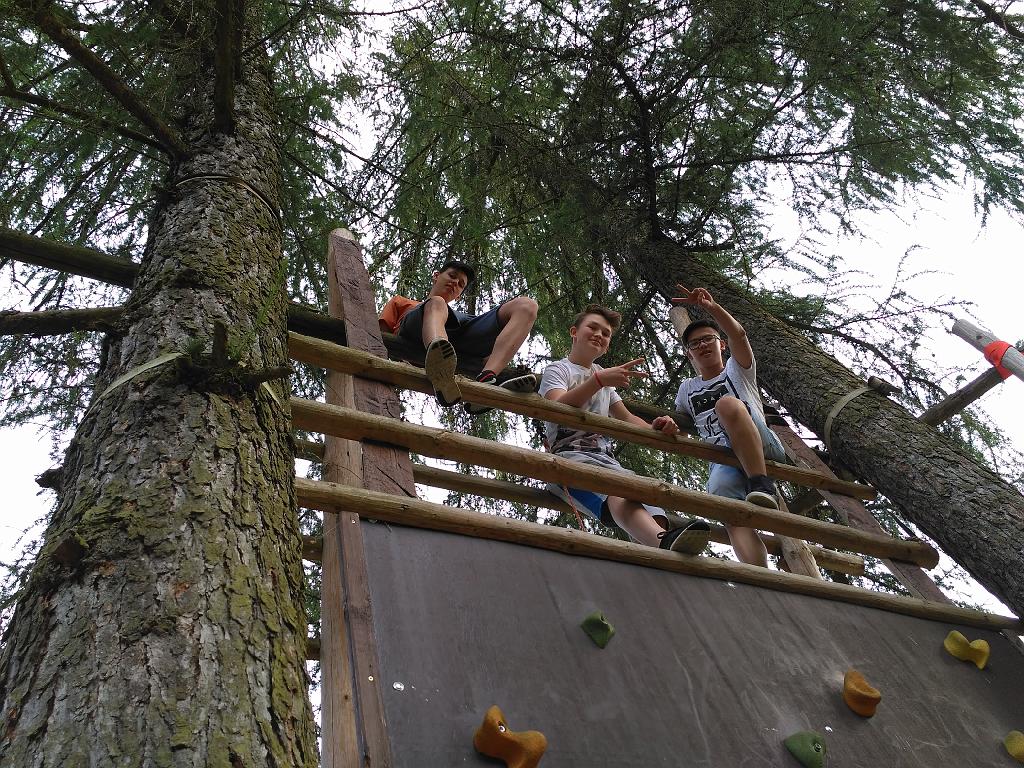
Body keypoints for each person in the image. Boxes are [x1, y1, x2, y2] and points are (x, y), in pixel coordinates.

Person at [538, 303, 711, 554]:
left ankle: (660, 544)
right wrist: (598, 381)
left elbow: (627, 418)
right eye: (592, 327)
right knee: (617, 493)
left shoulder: (601, 376)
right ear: (574, 332)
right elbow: (556, 405)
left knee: (646, 496)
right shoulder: (559, 369)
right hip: (568, 461)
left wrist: (656, 427)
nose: (599, 334)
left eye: (606, 333)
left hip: (606, 460)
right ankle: (662, 543)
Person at [671, 284, 787, 568]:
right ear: (689, 354)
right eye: (694, 344)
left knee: (726, 405)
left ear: (721, 344)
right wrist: (668, 425)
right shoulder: (687, 389)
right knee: (721, 494)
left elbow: (739, 335)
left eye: (708, 339)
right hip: (723, 458)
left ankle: (762, 484)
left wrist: (711, 308)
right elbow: (681, 428)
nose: (702, 345)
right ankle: (759, 576)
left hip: (760, 443)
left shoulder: (738, 369)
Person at [378, 260, 538, 413]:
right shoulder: (402, 302)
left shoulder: (463, 319)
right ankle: (438, 358)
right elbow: (378, 337)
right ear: (436, 276)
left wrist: (491, 359)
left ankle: (488, 378)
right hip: (413, 331)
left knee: (527, 306)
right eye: (452, 276)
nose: (455, 283)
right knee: (437, 302)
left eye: (461, 284)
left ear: (459, 296)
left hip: (460, 335)